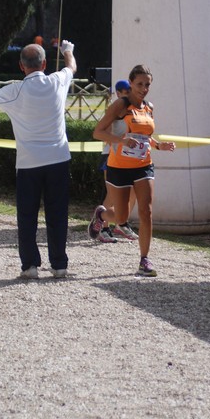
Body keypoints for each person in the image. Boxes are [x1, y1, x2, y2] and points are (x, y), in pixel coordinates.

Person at [0, 41, 77, 279]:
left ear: (21, 66)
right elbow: (72, 67)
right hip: (58, 158)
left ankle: (30, 266)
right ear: (44, 64)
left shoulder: (14, 90)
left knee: (27, 216)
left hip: (28, 163)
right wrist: (67, 50)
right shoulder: (57, 81)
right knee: (57, 214)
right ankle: (59, 264)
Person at [88, 64, 176, 277]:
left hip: (143, 166)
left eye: (147, 85)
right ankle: (101, 215)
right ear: (130, 84)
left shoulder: (149, 107)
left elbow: (145, 137)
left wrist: (158, 146)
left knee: (146, 212)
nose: (144, 89)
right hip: (118, 167)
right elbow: (97, 132)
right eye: (139, 84)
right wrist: (121, 141)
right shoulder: (121, 105)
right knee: (121, 217)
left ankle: (144, 259)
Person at [96, 79, 138, 243]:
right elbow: (103, 134)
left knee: (133, 193)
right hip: (111, 156)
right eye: (125, 92)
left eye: (130, 92)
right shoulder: (113, 110)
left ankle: (121, 223)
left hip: (128, 156)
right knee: (113, 195)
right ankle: (102, 227)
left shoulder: (133, 109)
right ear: (118, 93)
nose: (128, 95)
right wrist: (122, 140)